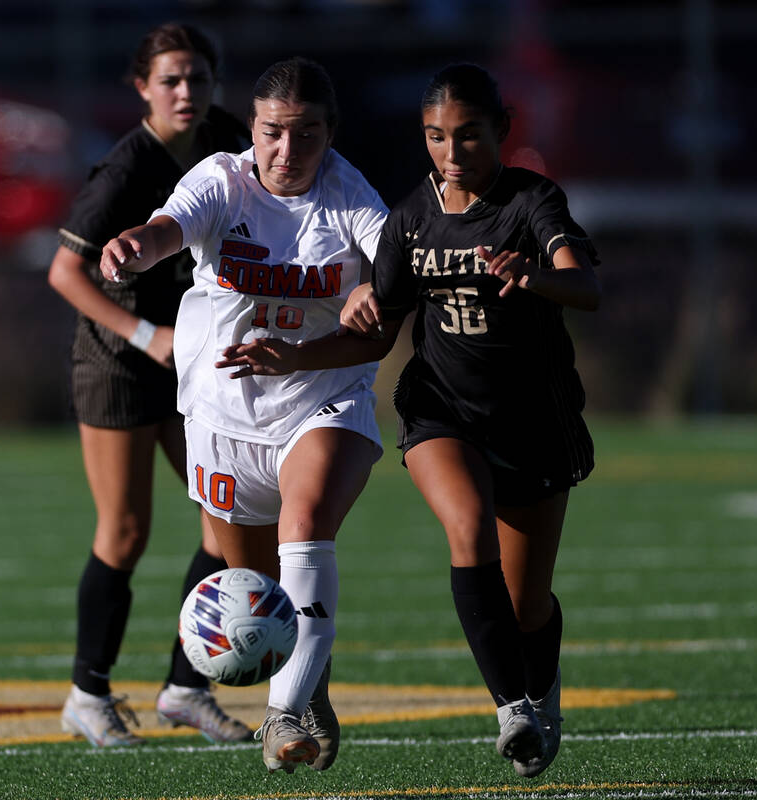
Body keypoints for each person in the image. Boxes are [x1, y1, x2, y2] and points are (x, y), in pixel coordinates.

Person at [216, 62, 601, 778]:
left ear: (502, 131)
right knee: (466, 528)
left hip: (534, 419)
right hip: (441, 410)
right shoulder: (411, 218)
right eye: (435, 137)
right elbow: (373, 333)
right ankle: (512, 708)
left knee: (527, 607)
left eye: (469, 136)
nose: (452, 154)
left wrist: (536, 277)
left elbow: (587, 285)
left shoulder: (532, 201)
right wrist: (294, 352)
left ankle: (537, 686)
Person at [99, 57, 389, 773]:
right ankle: (304, 685)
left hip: (323, 396)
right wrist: (137, 247)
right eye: (272, 133)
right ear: (251, 129)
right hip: (224, 413)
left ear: (331, 135)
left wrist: (377, 287)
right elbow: (170, 227)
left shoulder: (351, 197)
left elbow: (396, 279)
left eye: (307, 135)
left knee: (308, 520)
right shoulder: (220, 180)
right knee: (266, 603)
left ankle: (284, 714)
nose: (288, 152)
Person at [47, 22, 253, 747]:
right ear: (142, 88)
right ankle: (87, 694)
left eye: (197, 77)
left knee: (226, 528)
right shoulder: (126, 167)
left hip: (189, 360)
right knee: (126, 531)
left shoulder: (233, 139)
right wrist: (145, 334)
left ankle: (185, 688)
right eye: (170, 79)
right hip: (120, 361)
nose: (186, 91)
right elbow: (64, 270)